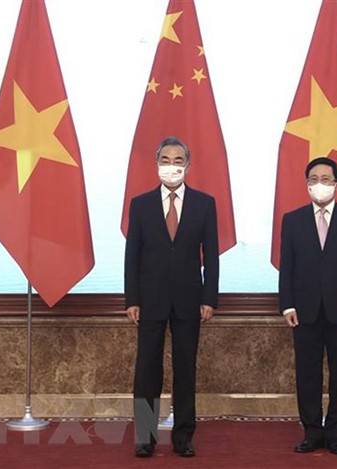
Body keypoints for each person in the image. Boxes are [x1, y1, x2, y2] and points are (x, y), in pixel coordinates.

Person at [124, 136, 219, 458]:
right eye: (166, 159)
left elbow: (213, 256)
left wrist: (210, 298)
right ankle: (145, 436)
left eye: (178, 160)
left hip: (190, 299)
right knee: (147, 369)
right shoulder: (140, 204)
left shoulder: (205, 204)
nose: (172, 165)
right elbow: (131, 255)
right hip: (149, 299)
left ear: (188, 166)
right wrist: (131, 299)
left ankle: (183, 437)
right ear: (157, 164)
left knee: (185, 368)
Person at [279, 156, 337, 456]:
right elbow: (287, 268)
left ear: (336, 184)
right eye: (313, 179)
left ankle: (336, 434)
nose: (319, 184)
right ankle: (311, 432)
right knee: (307, 374)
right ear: (306, 184)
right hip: (304, 311)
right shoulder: (292, 220)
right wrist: (286, 305)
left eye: (326, 179)